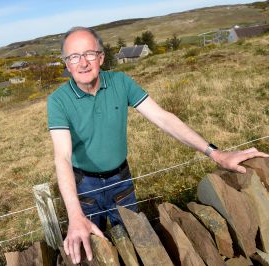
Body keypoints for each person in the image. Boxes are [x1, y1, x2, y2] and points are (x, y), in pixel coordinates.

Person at [47, 26, 268, 264]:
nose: (83, 62)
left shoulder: (120, 82)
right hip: (84, 186)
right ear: (67, 64)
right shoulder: (58, 101)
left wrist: (215, 153)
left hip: (121, 179)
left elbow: (164, 118)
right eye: (74, 57)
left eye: (89, 53)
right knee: (90, 248)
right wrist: (75, 215)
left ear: (101, 57)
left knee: (135, 242)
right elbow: (62, 157)